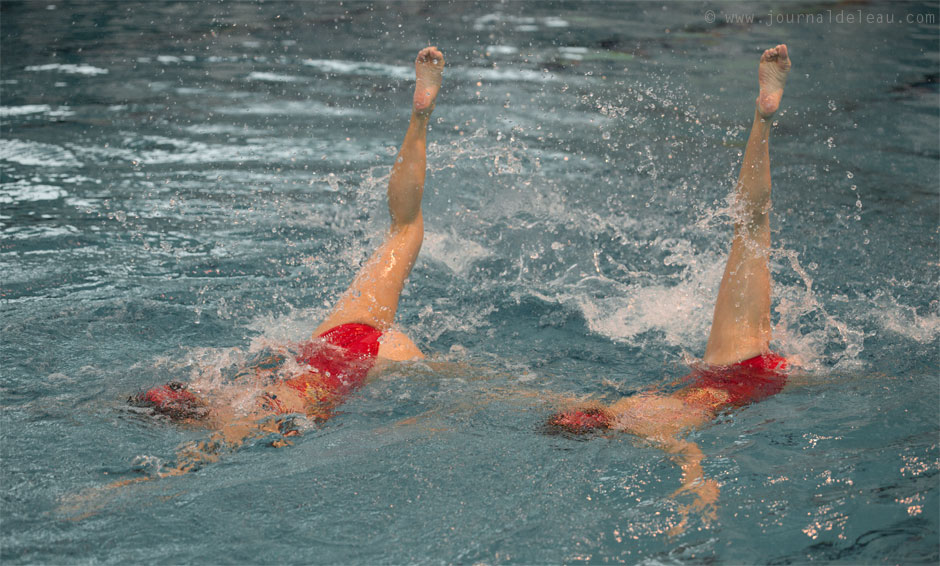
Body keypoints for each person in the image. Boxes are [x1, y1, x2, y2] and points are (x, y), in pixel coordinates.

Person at [130, 46, 445, 461]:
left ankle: (421, 116)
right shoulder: (227, 387)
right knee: (404, 228)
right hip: (332, 338)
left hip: (371, 357)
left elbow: (193, 461)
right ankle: (419, 117)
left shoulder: (238, 418)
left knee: (456, 375)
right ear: (188, 395)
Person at [548, 45, 793, 524]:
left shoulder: (622, 412)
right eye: (575, 416)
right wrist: (697, 491)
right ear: (589, 425)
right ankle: (762, 119)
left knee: (753, 236)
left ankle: (764, 119)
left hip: (756, 378)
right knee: (749, 231)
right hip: (733, 368)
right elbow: (688, 452)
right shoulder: (642, 427)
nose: (577, 409)